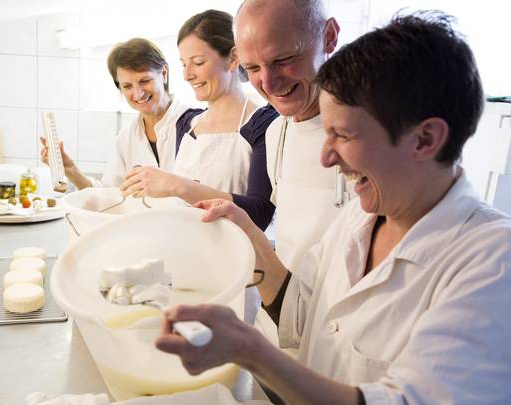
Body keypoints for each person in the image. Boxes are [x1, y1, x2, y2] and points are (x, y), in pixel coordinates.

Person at [156, 11, 511, 404]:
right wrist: (246, 232)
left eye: (341, 135)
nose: (326, 158)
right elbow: (303, 314)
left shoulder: (492, 262)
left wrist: (250, 351)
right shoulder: (360, 218)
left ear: (425, 139)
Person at [120, 10, 278, 230]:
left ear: (233, 58)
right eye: (184, 64)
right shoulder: (186, 124)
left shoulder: (263, 123)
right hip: (185, 250)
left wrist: (176, 184)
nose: (187, 74)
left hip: (235, 258)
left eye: (198, 62)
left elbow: (260, 213)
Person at [233, 0, 348, 270]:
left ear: (328, 37)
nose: (268, 83)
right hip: (290, 306)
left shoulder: (378, 135)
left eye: (283, 60)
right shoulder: (275, 133)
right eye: (252, 69)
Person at [40, 38, 189, 190]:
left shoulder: (194, 124)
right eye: (127, 86)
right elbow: (109, 195)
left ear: (164, 73)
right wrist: (71, 170)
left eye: (145, 81)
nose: (138, 94)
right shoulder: (126, 138)